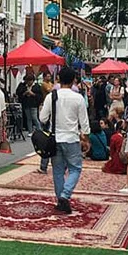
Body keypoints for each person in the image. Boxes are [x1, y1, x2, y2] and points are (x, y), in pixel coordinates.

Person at [39, 67, 90, 214]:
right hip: (71, 137)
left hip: (55, 137)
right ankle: (65, 195)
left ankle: (60, 199)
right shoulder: (78, 98)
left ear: (58, 79)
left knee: (58, 170)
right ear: (74, 80)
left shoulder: (51, 96)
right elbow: (84, 122)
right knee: (75, 168)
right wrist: (86, 138)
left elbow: (42, 118)